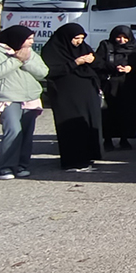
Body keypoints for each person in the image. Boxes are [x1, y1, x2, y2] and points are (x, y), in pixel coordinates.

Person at [0, 25, 48, 179]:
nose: (32, 42)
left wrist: (26, 61)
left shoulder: (29, 52)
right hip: (7, 97)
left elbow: (43, 72)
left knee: (26, 132)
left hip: (29, 97)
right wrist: (16, 60)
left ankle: (21, 164)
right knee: (13, 130)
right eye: (29, 39)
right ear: (17, 39)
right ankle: (4, 167)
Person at [41, 22, 103, 171]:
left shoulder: (83, 48)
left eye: (81, 38)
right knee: (71, 127)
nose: (79, 42)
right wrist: (75, 63)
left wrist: (93, 61)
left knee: (87, 124)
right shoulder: (53, 50)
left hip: (87, 94)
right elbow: (51, 71)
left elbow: (99, 64)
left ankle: (87, 157)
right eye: (76, 38)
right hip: (66, 95)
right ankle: (72, 161)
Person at [94, 25, 136, 151]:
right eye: (119, 37)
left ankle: (124, 138)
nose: (122, 41)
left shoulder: (134, 48)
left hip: (128, 86)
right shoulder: (106, 46)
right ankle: (107, 139)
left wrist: (131, 68)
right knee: (108, 113)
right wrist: (113, 68)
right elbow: (98, 63)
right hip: (110, 85)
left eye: (125, 38)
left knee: (126, 112)